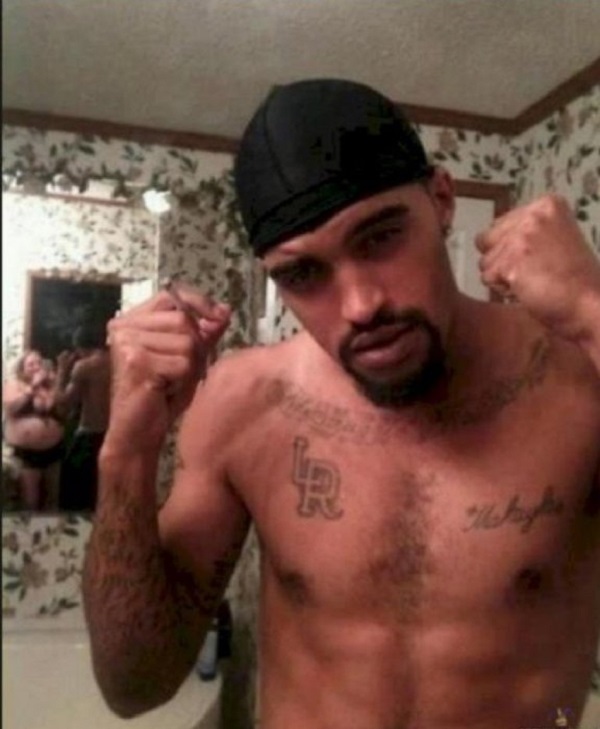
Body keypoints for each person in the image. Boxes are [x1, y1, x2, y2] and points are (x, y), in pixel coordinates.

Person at [82, 79, 600, 728]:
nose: (360, 305)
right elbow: (135, 684)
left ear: (442, 200)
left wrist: (593, 310)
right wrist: (126, 453)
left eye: (379, 237)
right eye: (303, 274)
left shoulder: (577, 380)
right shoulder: (244, 405)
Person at [56, 323, 111, 511]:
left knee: (75, 496)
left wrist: (62, 370)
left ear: (80, 346)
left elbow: (63, 402)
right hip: (113, 434)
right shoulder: (118, 363)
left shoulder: (85, 366)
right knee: (101, 494)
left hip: (89, 434)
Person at [2, 350, 66, 510]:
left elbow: (60, 410)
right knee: (30, 501)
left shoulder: (48, 385)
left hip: (54, 450)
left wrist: (56, 383)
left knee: (53, 498)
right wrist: (33, 386)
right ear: (21, 368)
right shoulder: (14, 384)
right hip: (27, 454)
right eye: (31, 364)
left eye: (39, 363)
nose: (36, 367)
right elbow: (12, 409)